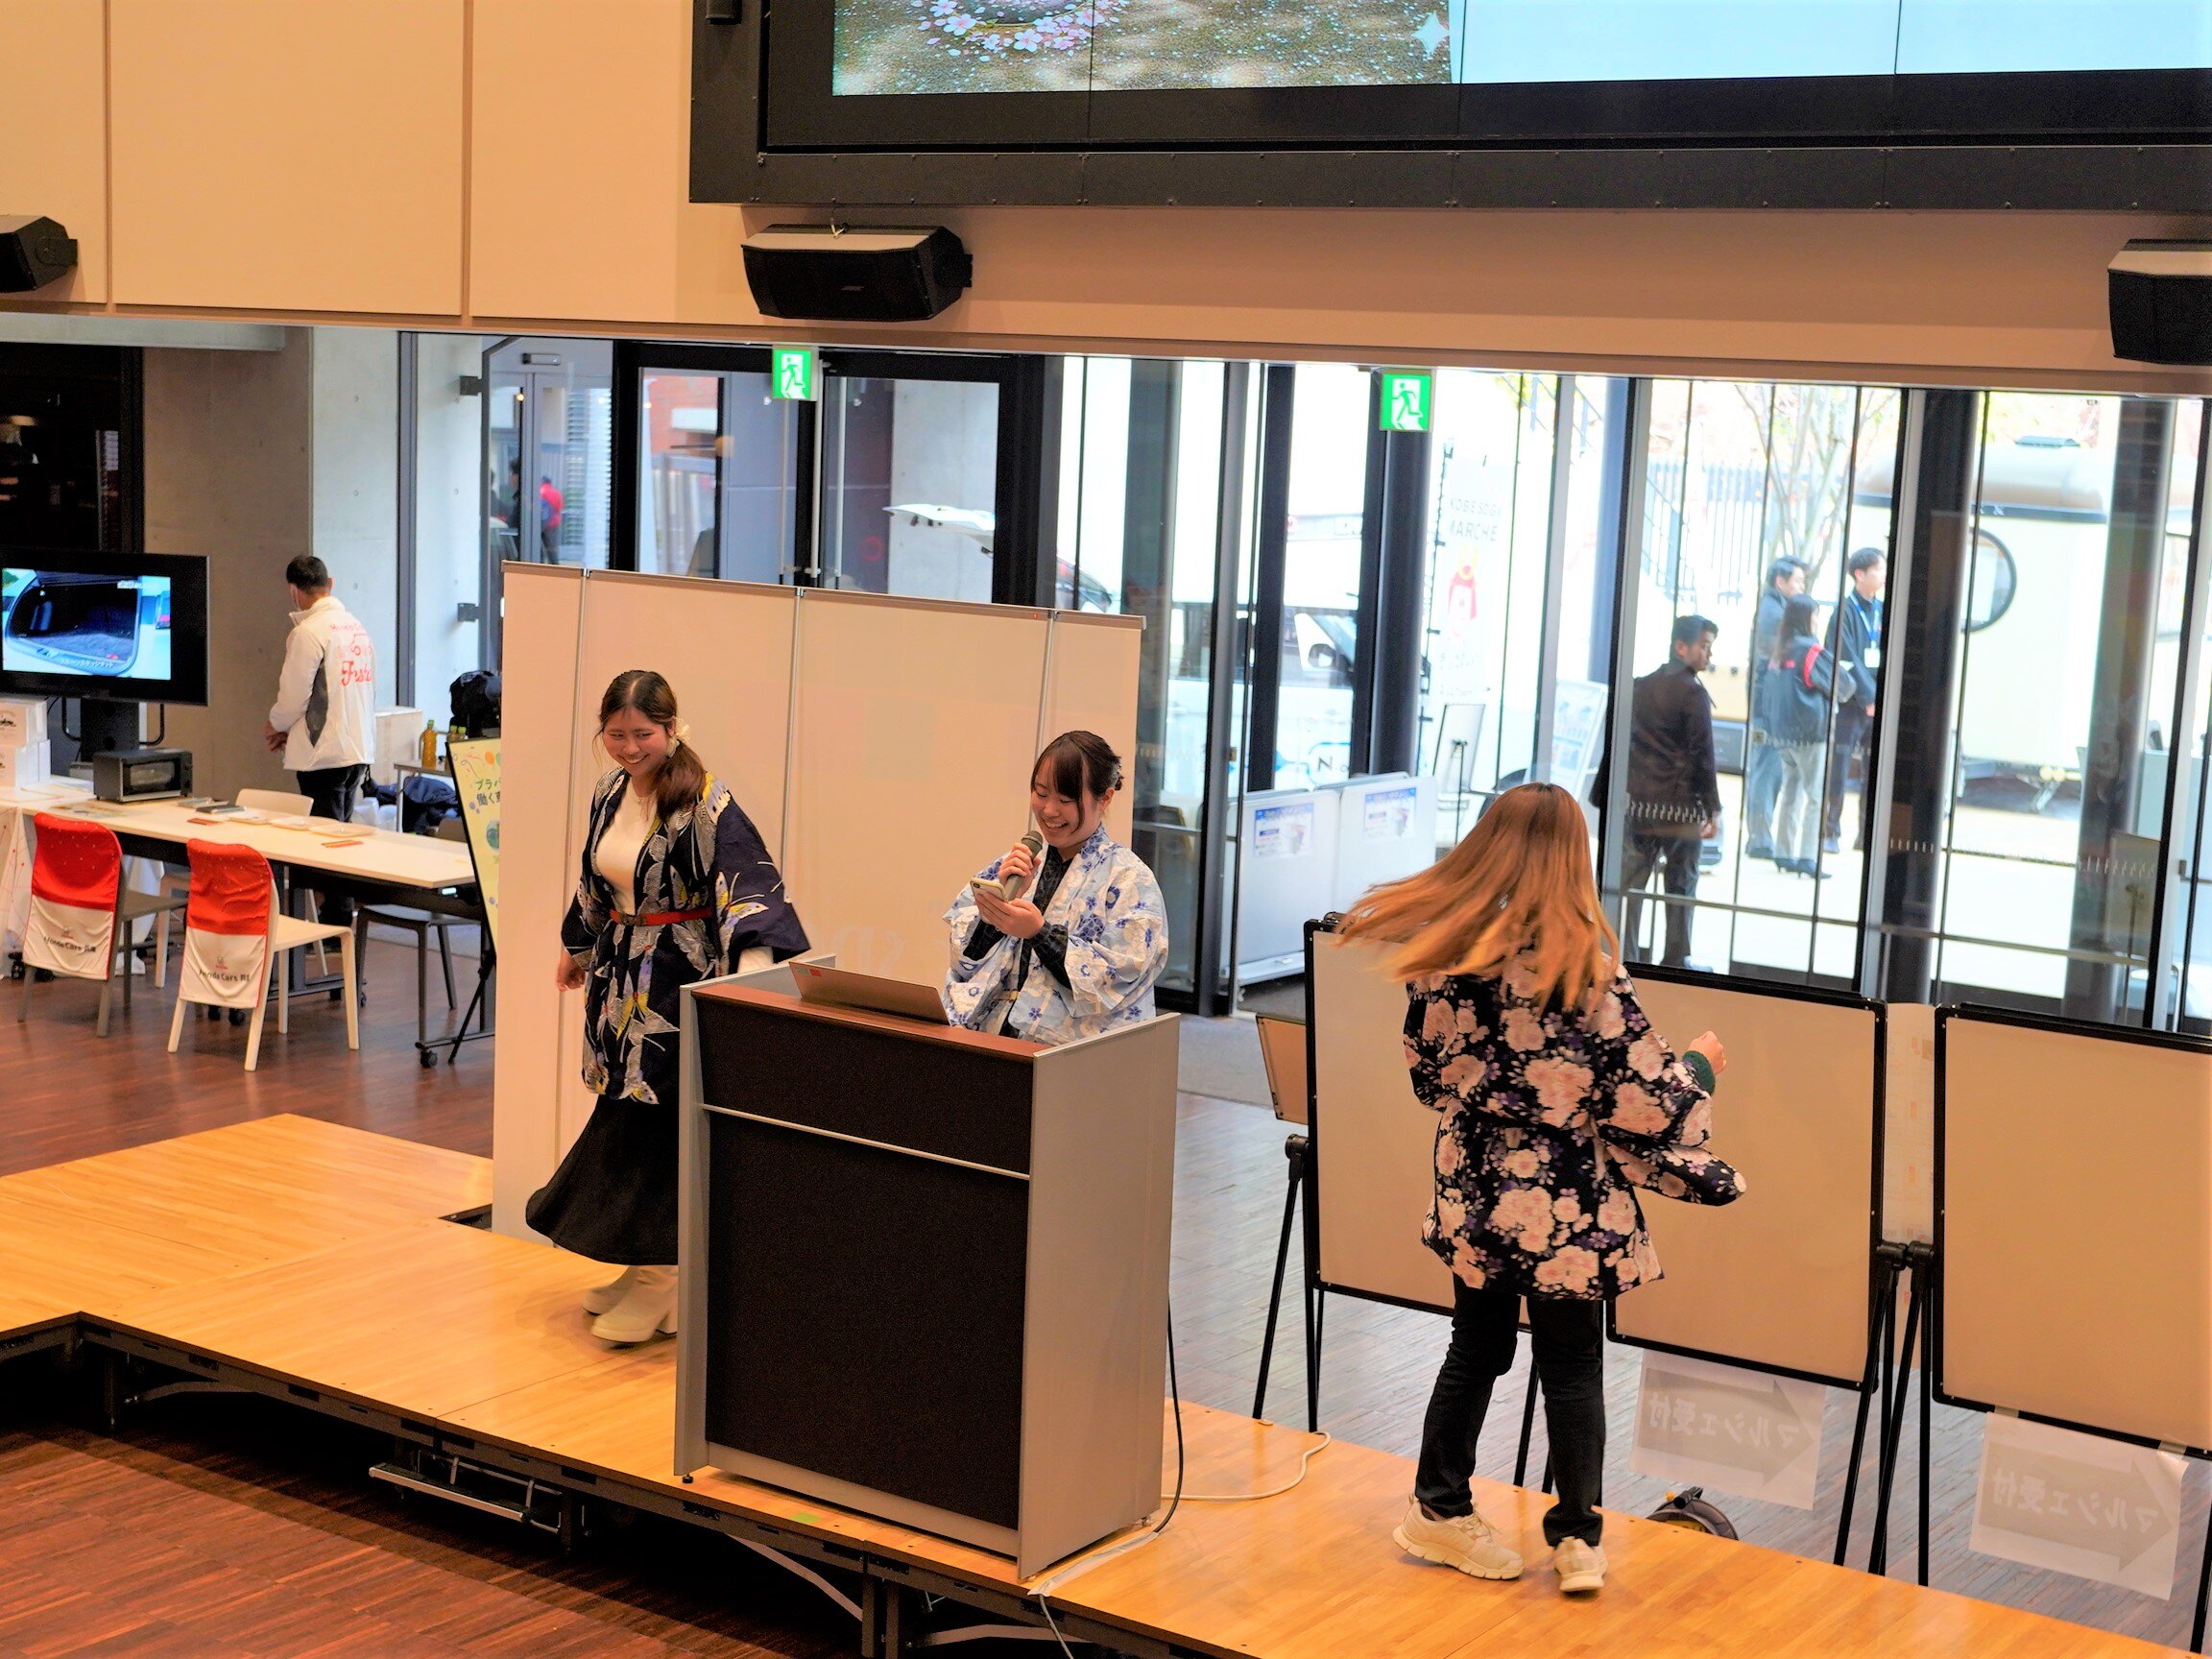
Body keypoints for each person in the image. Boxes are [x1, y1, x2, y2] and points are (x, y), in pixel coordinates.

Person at [1337, 782, 1737, 1596]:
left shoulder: (1444, 958)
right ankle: (1579, 1538)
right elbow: (1649, 1105)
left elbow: (1427, 1079)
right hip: (1564, 1201)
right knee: (1573, 1362)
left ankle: (1439, 1507)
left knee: (1476, 1345)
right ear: (1570, 860)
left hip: (1475, 1184)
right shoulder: (1585, 972)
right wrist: (1700, 1065)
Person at [529, 669, 809, 1344]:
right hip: (620, 979)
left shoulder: (707, 804)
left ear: (671, 728)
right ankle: (647, 1268)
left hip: (677, 986)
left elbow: (751, 892)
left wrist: (746, 986)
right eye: (616, 735)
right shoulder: (608, 793)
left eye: (643, 734)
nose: (630, 748)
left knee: (659, 1130)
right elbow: (595, 882)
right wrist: (577, 946)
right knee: (625, 1118)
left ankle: (664, 1278)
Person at [943, 730, 1167, 1045]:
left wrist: (1040, 933)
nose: (1049, 810)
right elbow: (963, 962)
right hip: (992, 1040)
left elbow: (1119, 977)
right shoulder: (1014, 865)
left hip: (1069, 1057)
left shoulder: (1130, 879)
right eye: (1040, 793)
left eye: (1065, 800)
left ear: (1105, 798)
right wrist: (995, 914)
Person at [1620, 615, 1721, 968]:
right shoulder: (1694, 693)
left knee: (1630, 889)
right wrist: (1713, 807)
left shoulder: (1640, 685)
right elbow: (1703, 754)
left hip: (1639, 806)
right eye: (1704, 646)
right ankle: (1676, 961)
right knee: (1680, 886)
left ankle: (1624, 959)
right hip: (1680, 809)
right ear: (1681, 647)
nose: (1709, 654)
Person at [263, 554, 375, 827]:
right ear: (330, 583)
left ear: (293, 590)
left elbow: (294, 698)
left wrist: (275, 725)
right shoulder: (357, 627)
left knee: (321, 840)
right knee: (340, 836)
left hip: (324, 755)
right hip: (358, 749)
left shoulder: (309, 632)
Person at [1758, 595, 1856, 878]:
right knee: (1815, 796)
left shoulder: (1780, 650)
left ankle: (1783, 852)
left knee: (1790, 791)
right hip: (1810, 735)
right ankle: (1807, 857)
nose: (1816, 621)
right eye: (1814, 615)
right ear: (1805, 618)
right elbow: (1844, 686)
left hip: (1782, 735)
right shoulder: (1812, 650)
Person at [1743, 557, 1807, 861]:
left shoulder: (1775, 608)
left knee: (1769, 768)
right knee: (1766, 769)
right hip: (1766, 708)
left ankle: (1761, 836)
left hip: (1767, 705)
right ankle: (1759, 838)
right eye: (1798, 581)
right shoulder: (1773, 613)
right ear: (1780, 582)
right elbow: (1777, 658)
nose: (1802, 586)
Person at [1823, 549, 1886, 854]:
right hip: (1852, 704)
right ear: (1859, 574)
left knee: (1873, 772)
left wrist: (1880, 697)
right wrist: (1868, 696)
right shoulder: (1844, 612)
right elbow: (1844, 657)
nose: (1884, 575)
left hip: (1877, 704)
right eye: (1878, 570)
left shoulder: (1883, 610)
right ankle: (1830, 832)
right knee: (1840, 768)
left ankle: (1866, 835)